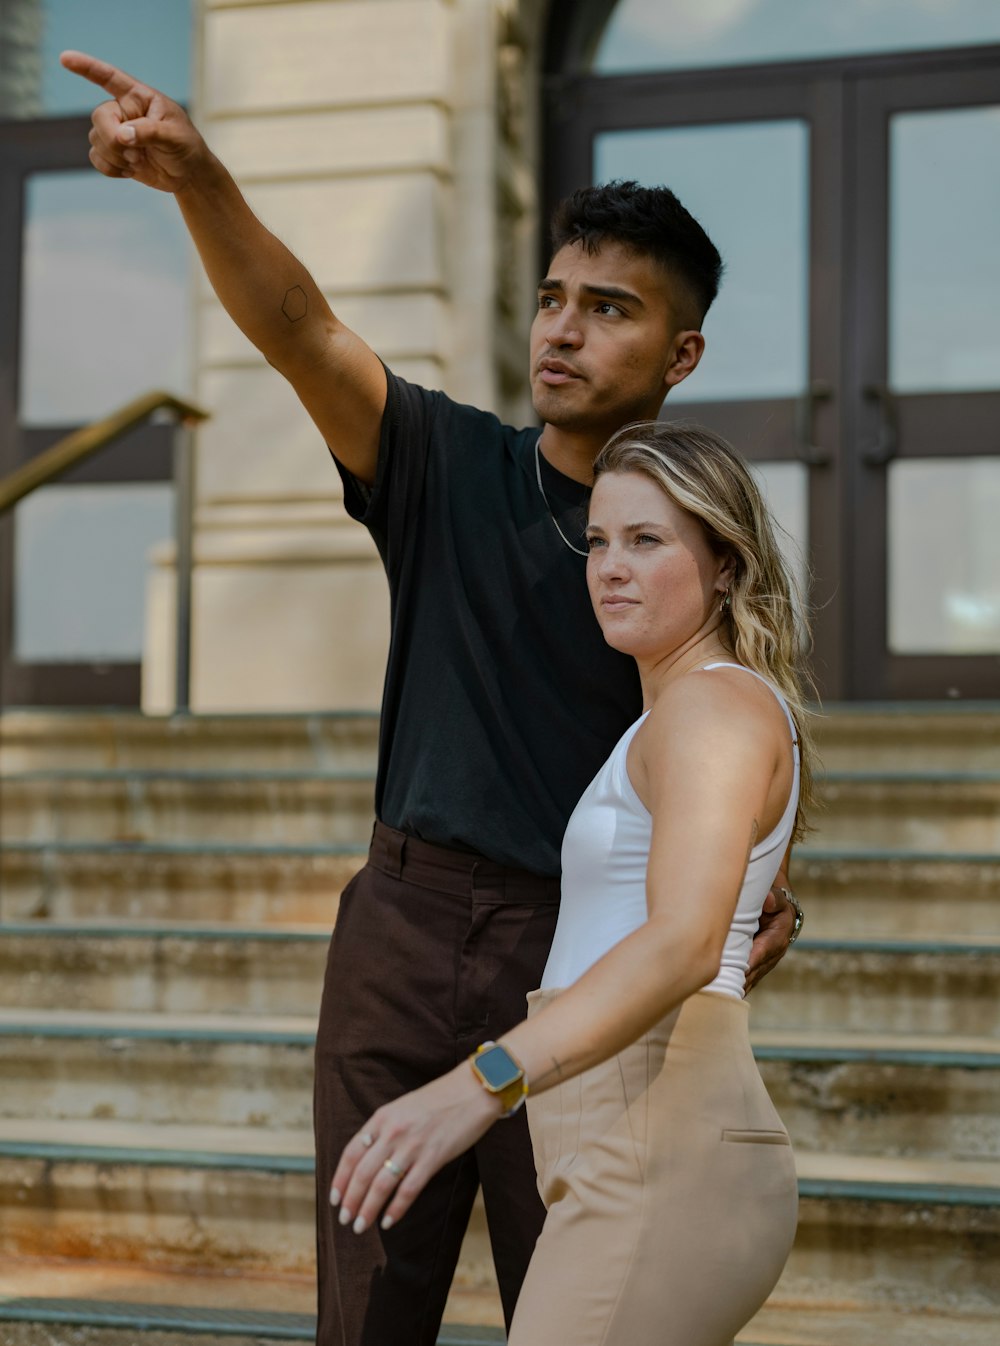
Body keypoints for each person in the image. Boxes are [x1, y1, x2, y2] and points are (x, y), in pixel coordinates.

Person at [62, 49, 803, 1346]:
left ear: (683, 351)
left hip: (575, 961)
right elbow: (299, 325)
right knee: (365, 1317)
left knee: (568, 1304)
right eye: (553, 298)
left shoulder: (676, 557)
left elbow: (737, 730)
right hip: (399, 938)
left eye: (611, 309)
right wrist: (196, 179)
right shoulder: (448, 464)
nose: (564, 330)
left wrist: (735, 887)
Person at [331, 420, 814, 1346]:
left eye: (647, 541)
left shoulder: (711, 705)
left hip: (658, 1151)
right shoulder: (692, 711)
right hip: (629, 1147)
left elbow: (682, 942)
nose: (610, 567)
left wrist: (482, 1083)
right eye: (597, 540)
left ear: (724, 565)